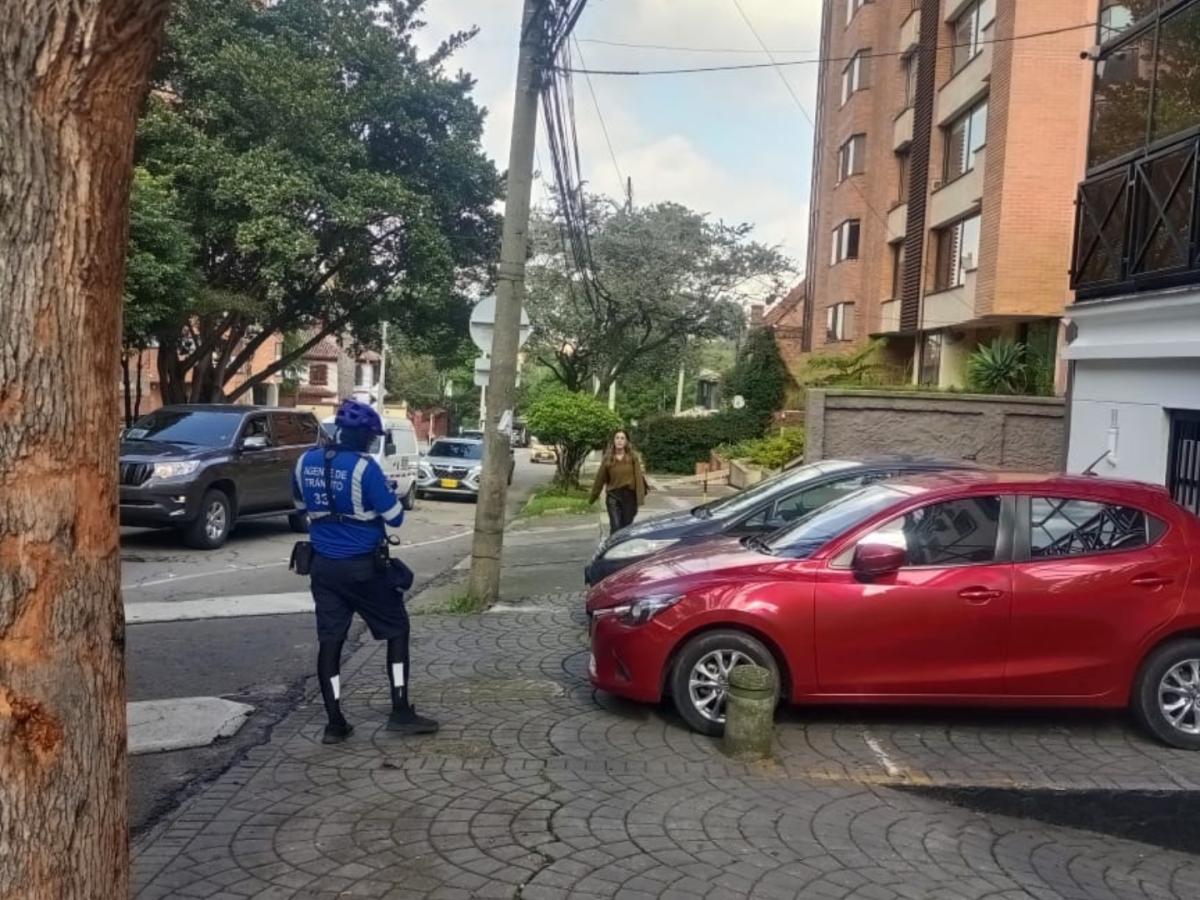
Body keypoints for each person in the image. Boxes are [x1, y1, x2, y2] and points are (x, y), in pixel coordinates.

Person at [293, 399, 438, 744]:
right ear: (361, 436)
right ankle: (400, 710)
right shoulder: (364, 468)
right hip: (363, 568)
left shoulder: (303, 462)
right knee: (397, 629)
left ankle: (335, 723)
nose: (372, 442)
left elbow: (301, 506)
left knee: (330, 641)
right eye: (371, 437)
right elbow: (395, 517)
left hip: (322, 567)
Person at [589, 429, 647, 533]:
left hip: (629, 497)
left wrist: (640, 498)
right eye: (617, 438)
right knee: (616, 527)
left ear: (626, 442)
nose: (619, 440)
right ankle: (613, 548)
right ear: (613, 441)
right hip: (613, 497)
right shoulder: (608, 458)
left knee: (626, 529)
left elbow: (638, 478)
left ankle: (622, 549)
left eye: (622, 438)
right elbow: (600, 479)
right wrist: (593, 497)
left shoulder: (633, 457)